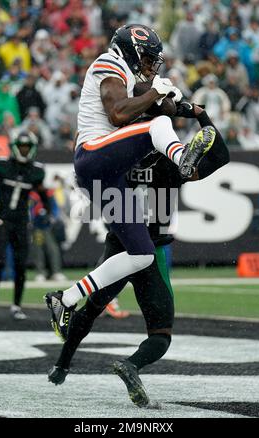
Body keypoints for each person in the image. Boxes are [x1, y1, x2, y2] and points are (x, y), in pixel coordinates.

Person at [47, 103, 230, 407]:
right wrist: (200, 115)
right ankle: (131, 365)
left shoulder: (117, 159)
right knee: (161, 334)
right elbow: (221, 156)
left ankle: (62, 364)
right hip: (152, 249)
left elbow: (87, 161)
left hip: (118, 245)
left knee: (91, 310)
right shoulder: (174, 163)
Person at [45, 24, 217, 347]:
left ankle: (66, 298)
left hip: (105, 175)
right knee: (159, 126)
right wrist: (157, 94)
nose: (151, 67)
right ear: (130, 51)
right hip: (94, 155)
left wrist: (175, 100)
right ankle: (183, 160)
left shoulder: (128, 76)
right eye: (148, 59)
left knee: (142, 255)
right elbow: (118, 113)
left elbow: (158, 105)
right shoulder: (108, 64)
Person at [0, 131, 49, 320]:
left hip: (21, 222)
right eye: (21, 147)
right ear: (15, 147)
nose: (24, 151)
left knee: (20, 265)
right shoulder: (3, 166)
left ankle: (17, 305)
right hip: (2, 219)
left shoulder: (35, 171)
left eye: (27, 147)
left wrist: (46, 212)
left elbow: (42, 194)